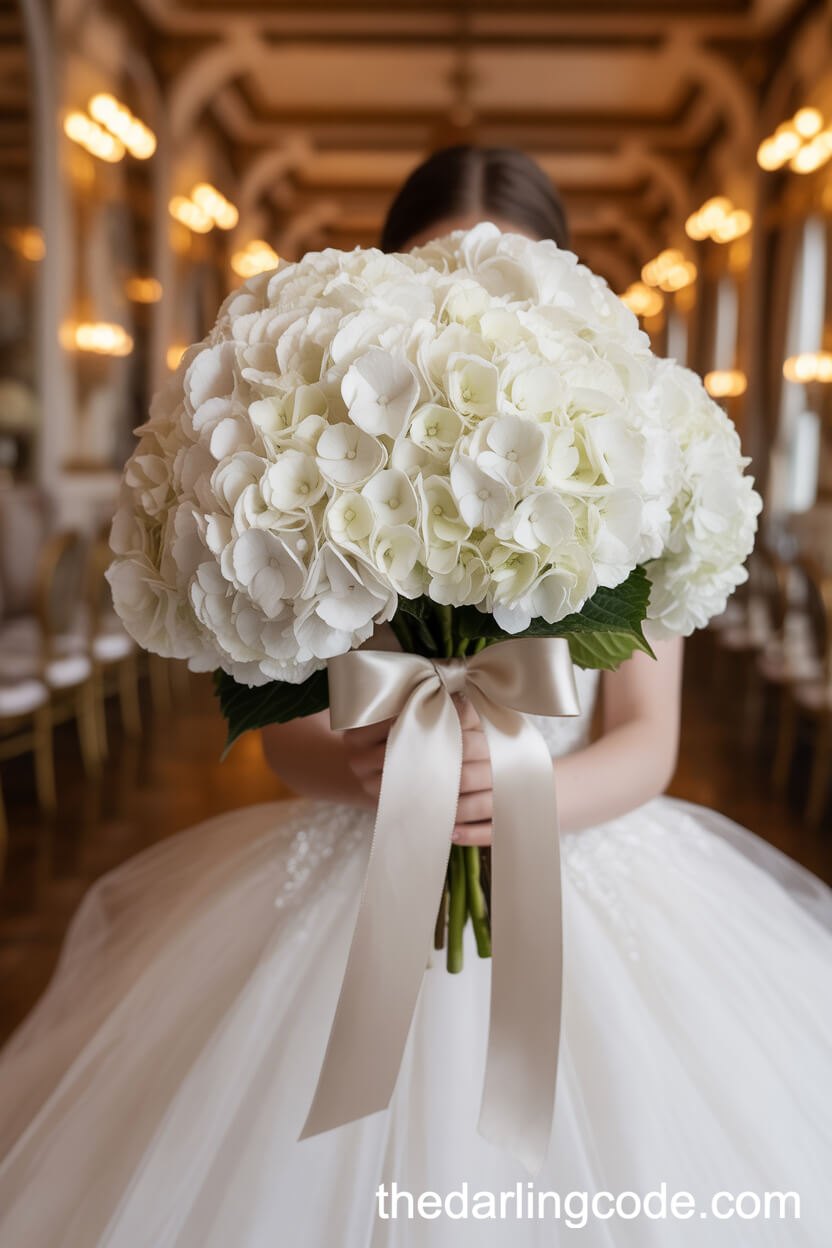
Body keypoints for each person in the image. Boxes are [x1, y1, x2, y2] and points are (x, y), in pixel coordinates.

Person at [0, 146, 830, 1247]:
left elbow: (648, 742)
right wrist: (349, 765)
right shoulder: (329, 440)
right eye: (439, 276)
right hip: (357, 846)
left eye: (506, 280)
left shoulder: (630, 449)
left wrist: (519, 794)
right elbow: (284, 733)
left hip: (578, 854)